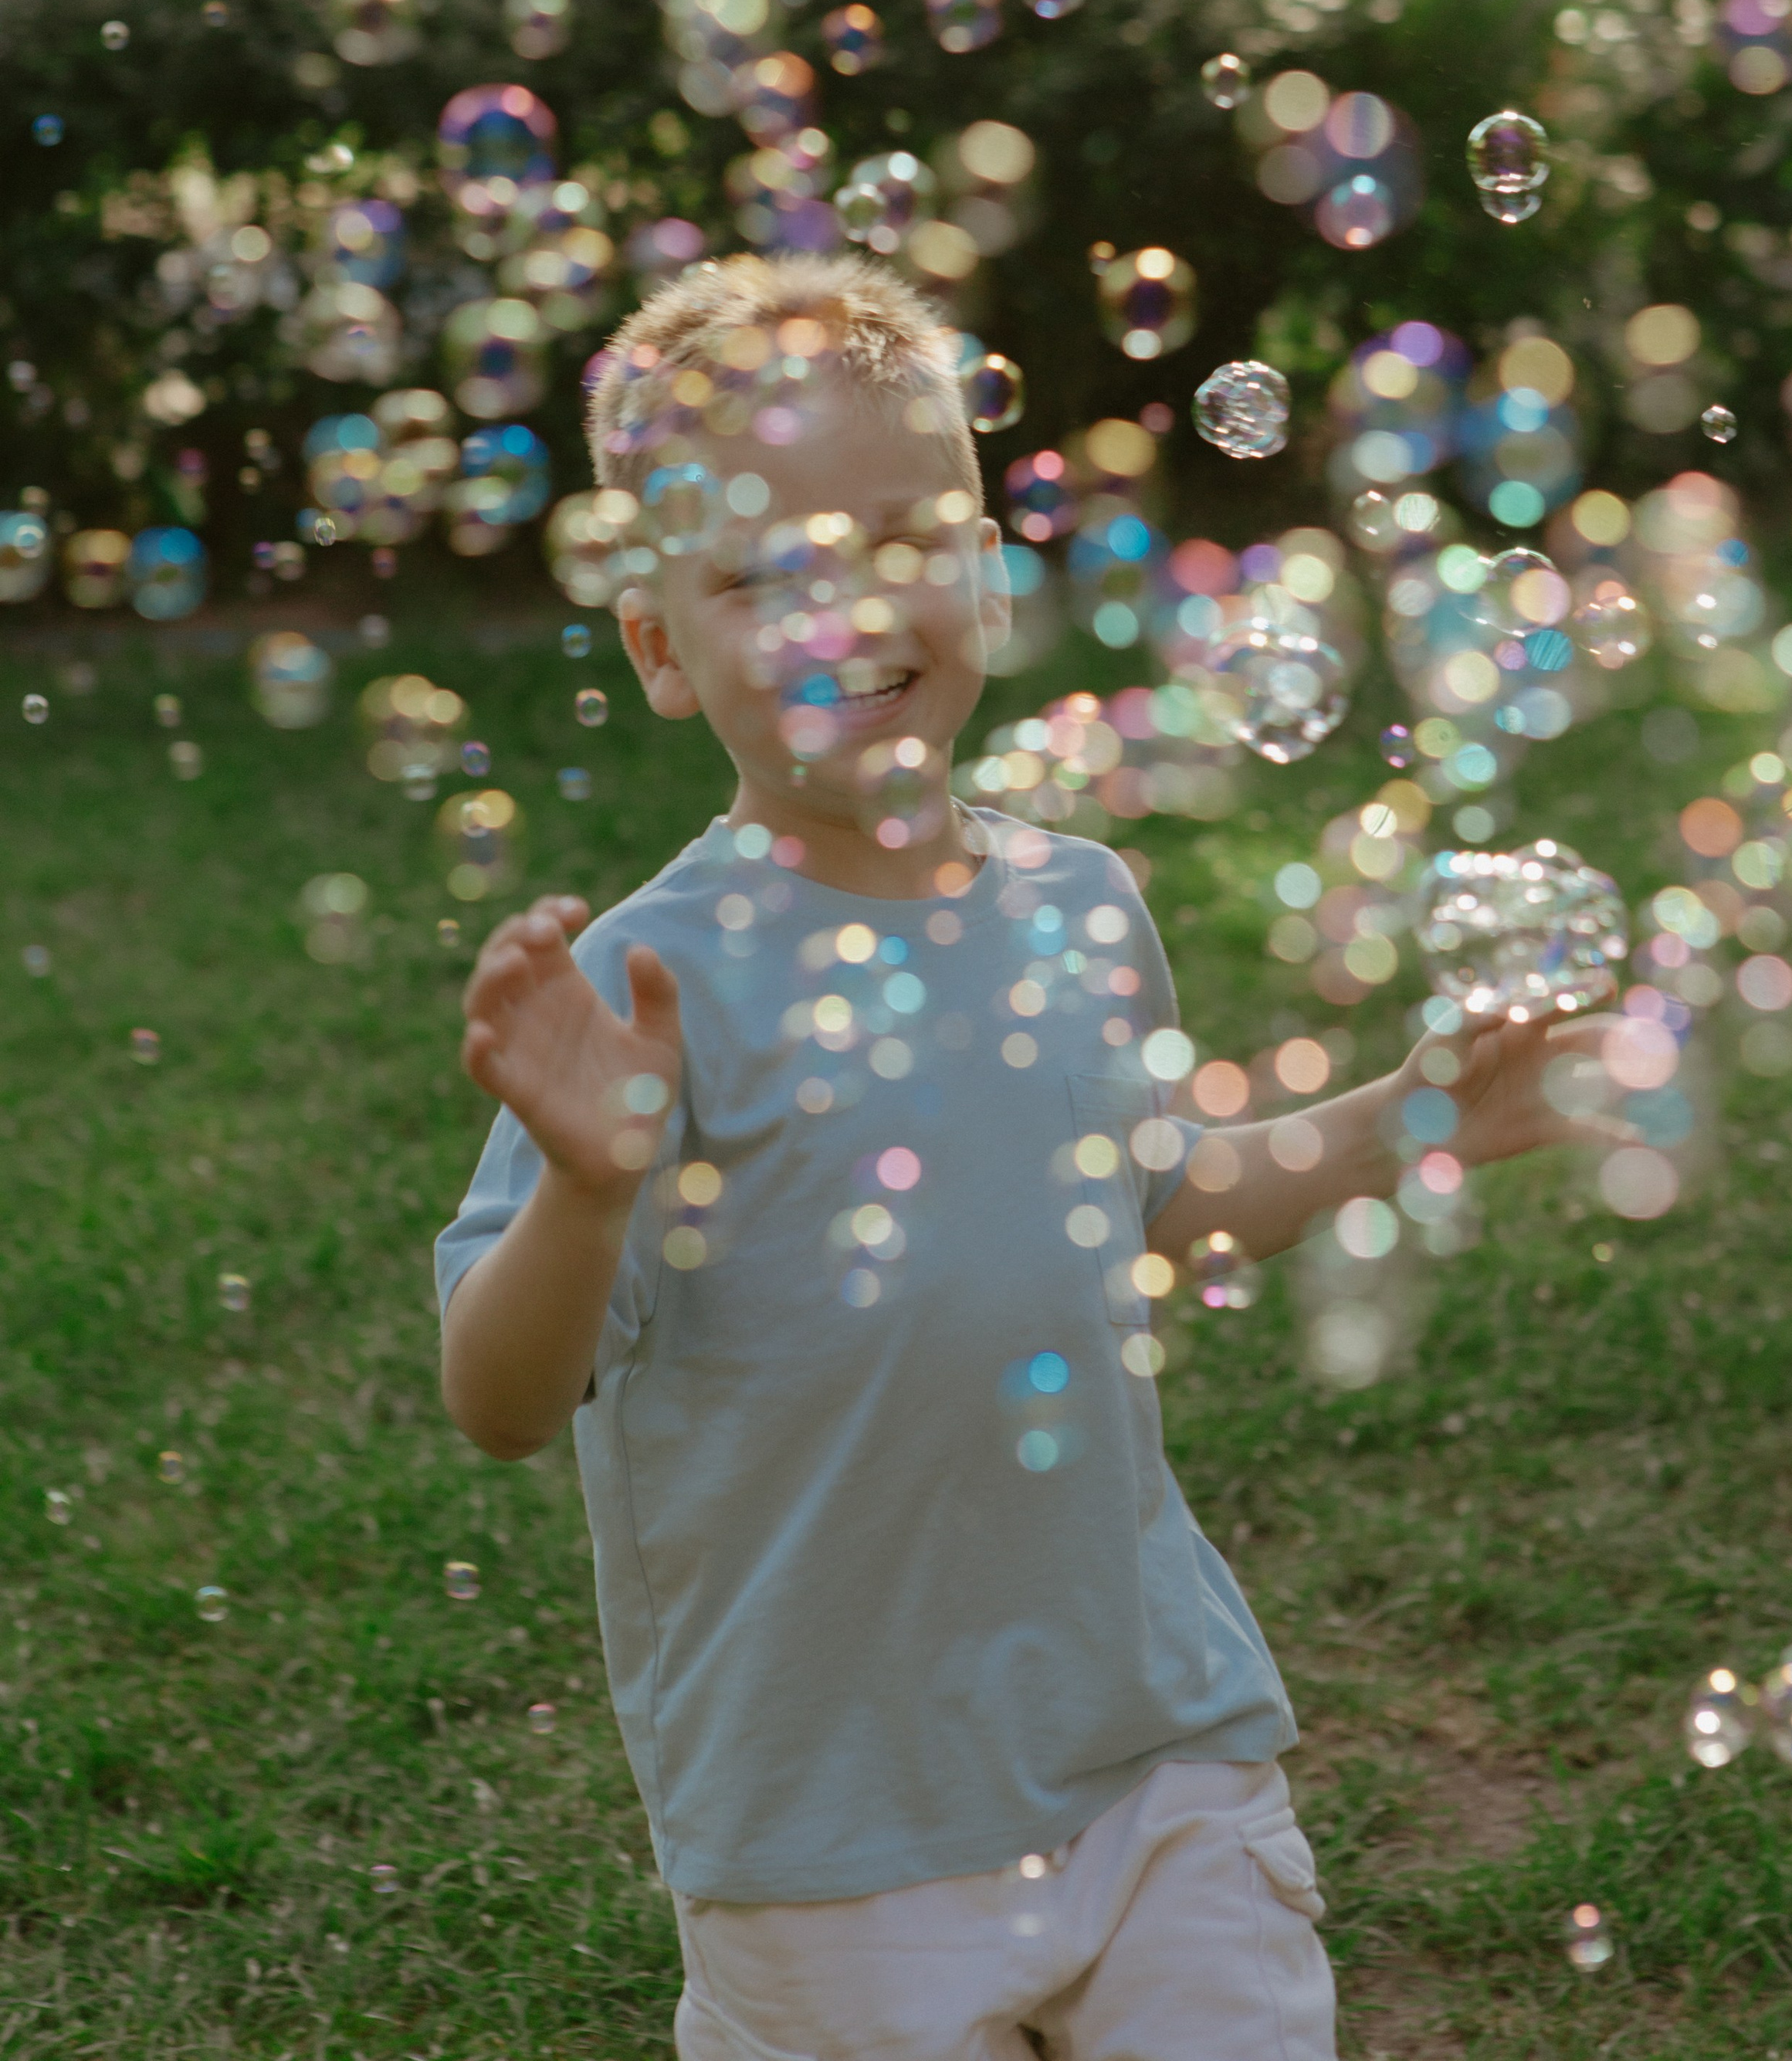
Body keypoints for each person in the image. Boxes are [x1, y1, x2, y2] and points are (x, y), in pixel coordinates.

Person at [435, 251, 1620, 2061]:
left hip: (1149, 1750)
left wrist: (1406, 1113)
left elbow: (1154, 1201)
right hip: (831, 1834)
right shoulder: (654, 990)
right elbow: (503, 1399)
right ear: (663, 648)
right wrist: (589, 1189)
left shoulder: (1080, 904)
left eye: (912, 537)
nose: (855, 607)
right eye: (768, 571)